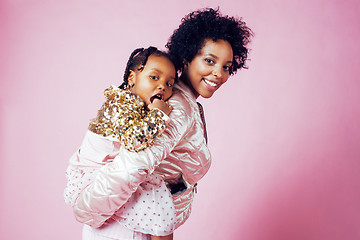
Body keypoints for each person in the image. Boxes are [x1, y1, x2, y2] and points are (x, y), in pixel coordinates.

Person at [65, 7, 252, 240]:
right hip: (128, 230)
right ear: (187, 57)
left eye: (226, 66)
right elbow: (133, 164)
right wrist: (88, 211)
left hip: (136, 225)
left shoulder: (180, 101)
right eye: (209, 61)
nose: (218, 73)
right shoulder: (177, 108)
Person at [64, 47, 179, 239]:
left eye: (169, 83)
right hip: (93, 174)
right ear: (132, 78)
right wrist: (159, 114)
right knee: (156, 195)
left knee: (155, 194)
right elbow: (135, 141)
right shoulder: (120, 103)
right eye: (154, 77)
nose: (162, 87)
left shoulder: (138, 106)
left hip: (109, 172)